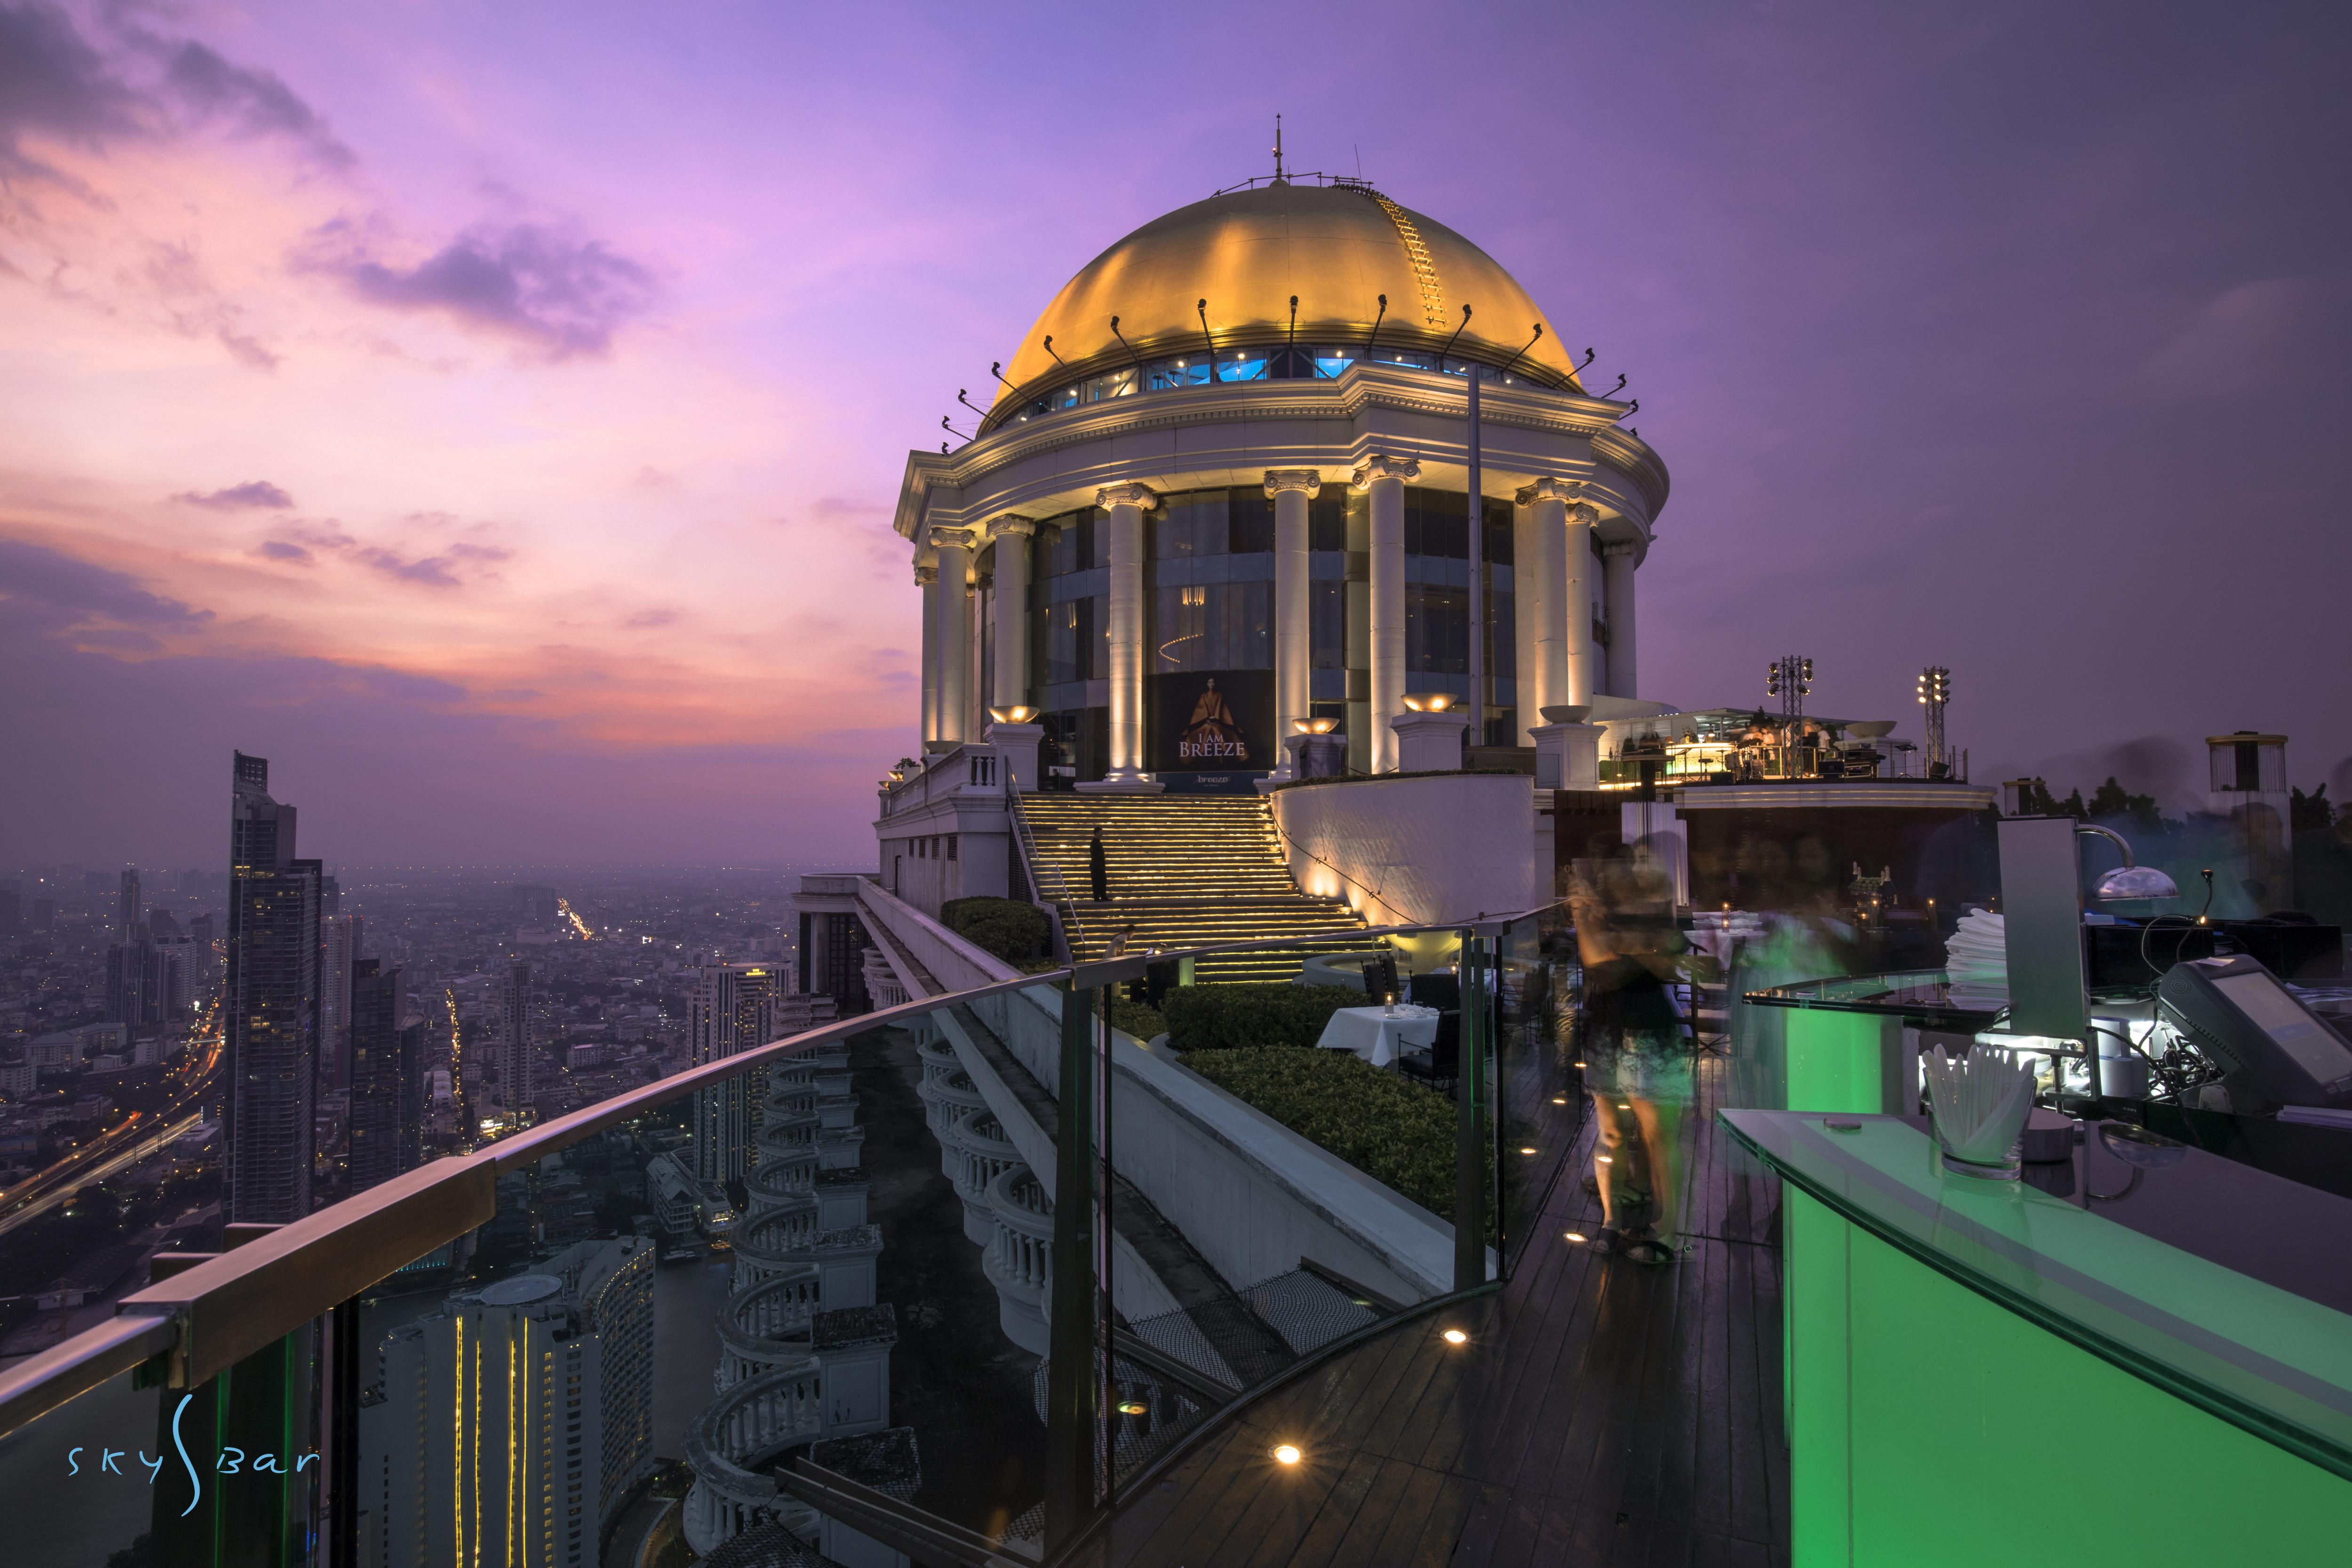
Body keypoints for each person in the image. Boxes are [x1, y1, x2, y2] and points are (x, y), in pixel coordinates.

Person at [1569, 844, 1700, 1266]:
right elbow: (1599, 962)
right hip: (1606, 1030)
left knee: (1659, 1135)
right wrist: (1644, 952)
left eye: (1627, 869)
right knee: (1611, 1132)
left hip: (1649, 1030)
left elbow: (1669, 951)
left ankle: (1668, 1231)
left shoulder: (1648, 911)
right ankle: (1612, 1220)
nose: (1622, 878)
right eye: (1613, 873)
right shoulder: (1601, 914)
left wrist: (1632, 948)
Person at [1089, 826, 1108, 903]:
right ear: (1096, 833)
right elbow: (1095, 854)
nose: (1102, 834)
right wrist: (1104, 856)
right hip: (1096, 866)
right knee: (1097, 882)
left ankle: (1103, 896)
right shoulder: (1094, 843)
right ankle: (1097, 897)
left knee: (1103, 881)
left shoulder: (1097, 842)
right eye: (1101, 833)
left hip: (1100, 866)